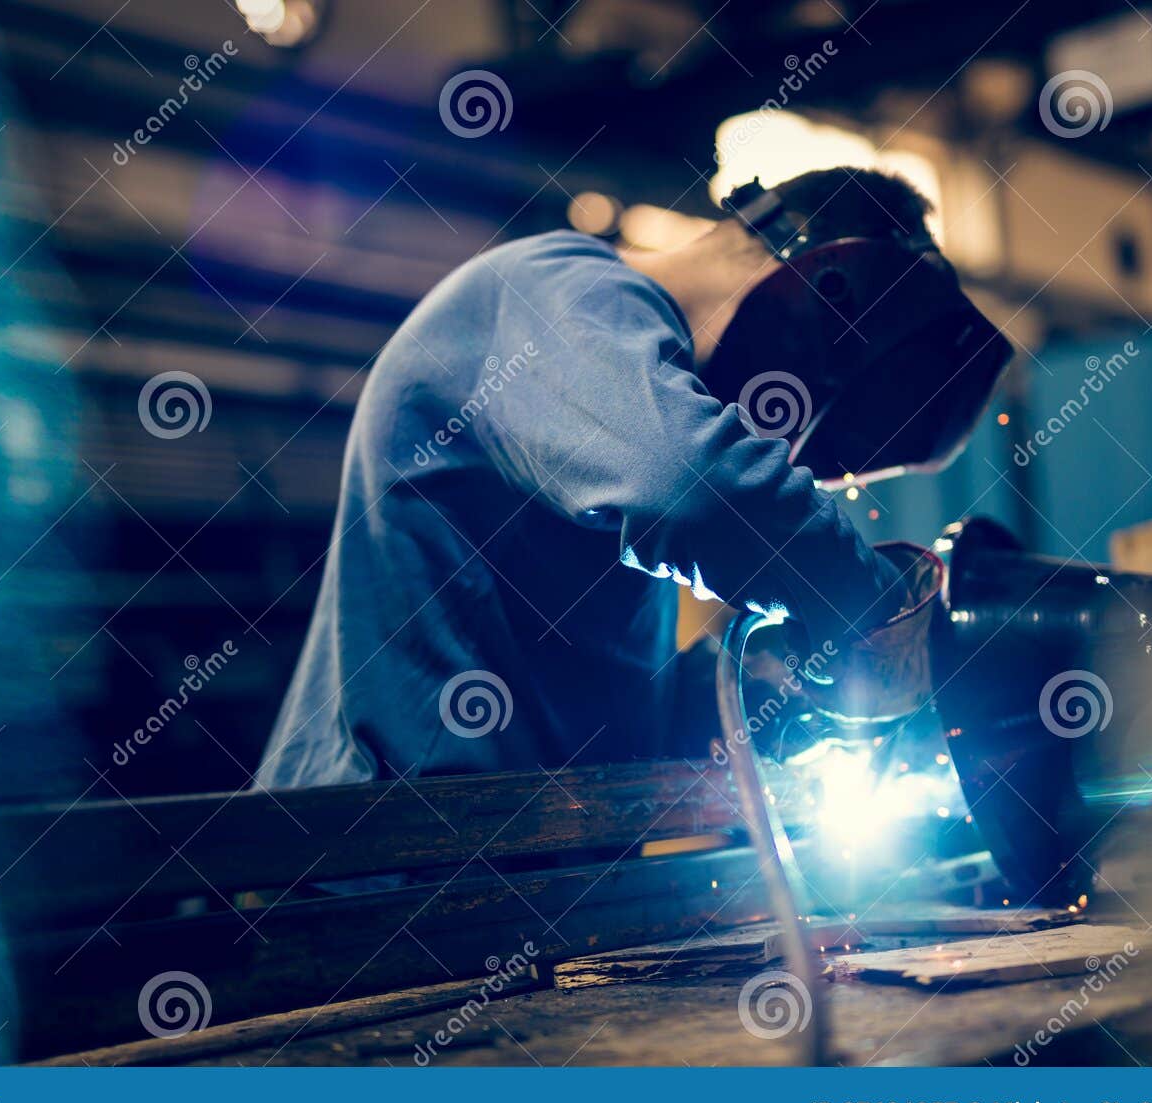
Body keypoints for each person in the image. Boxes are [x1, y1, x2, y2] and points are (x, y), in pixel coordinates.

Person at [257, 166, 1009, 787]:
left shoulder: (623, 402)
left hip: (496, 881)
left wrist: (758, 691)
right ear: (817, 283)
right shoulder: (555, 290)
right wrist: (875, 605)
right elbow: (695, 490)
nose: (782, 438)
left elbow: (590, 697)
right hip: (365, 879)